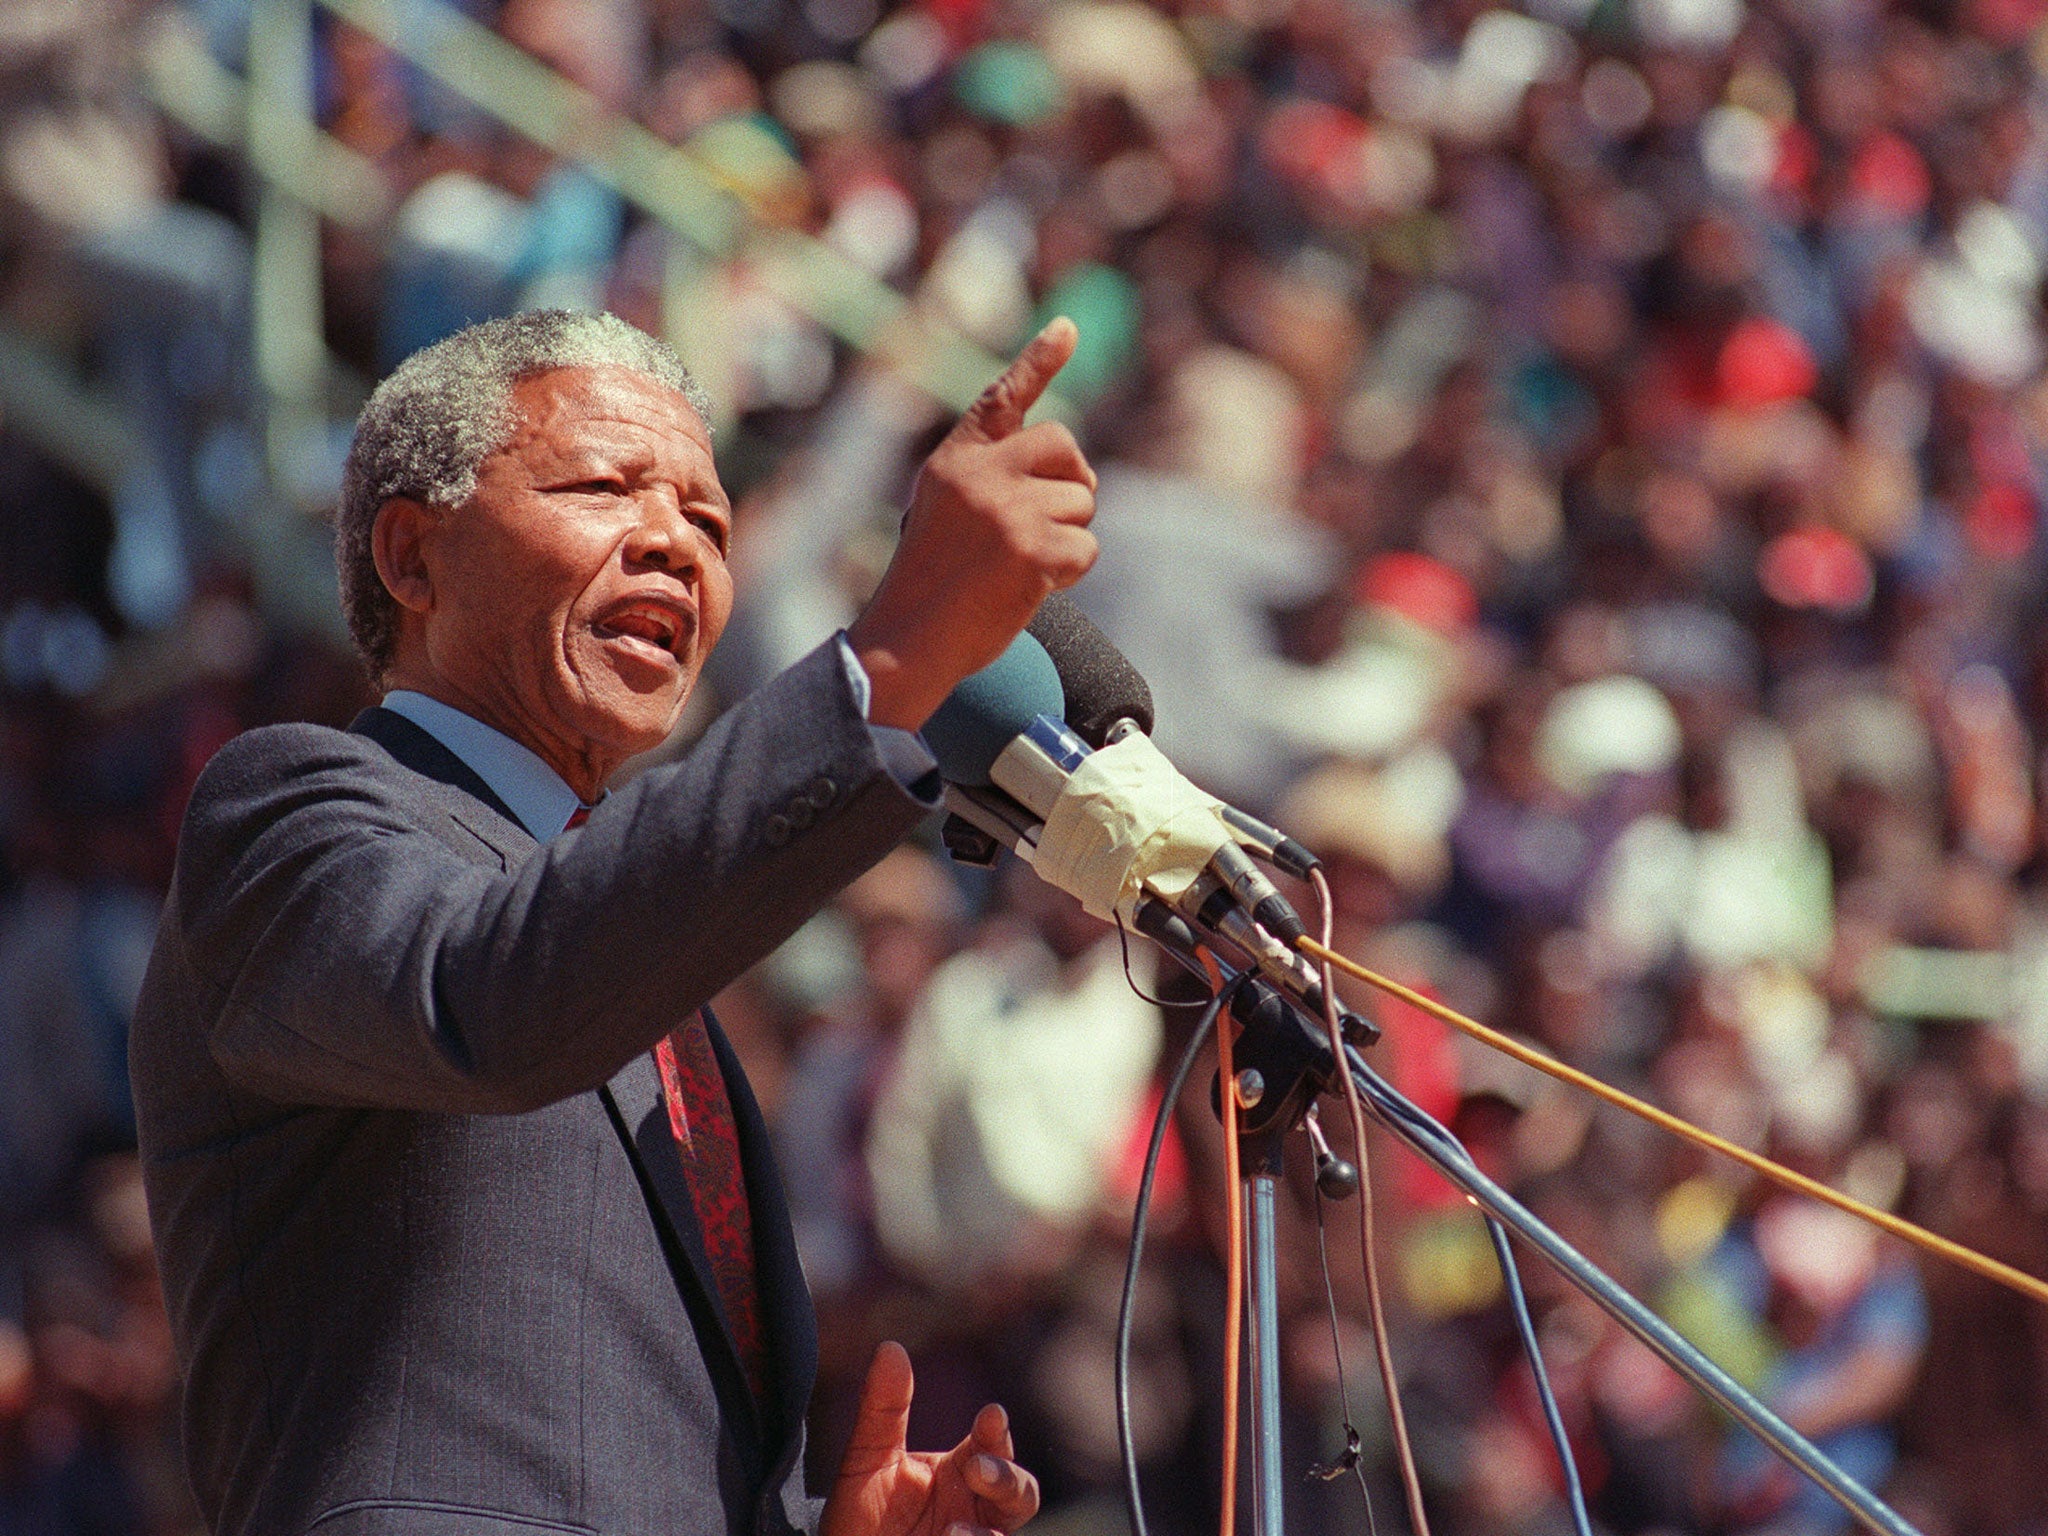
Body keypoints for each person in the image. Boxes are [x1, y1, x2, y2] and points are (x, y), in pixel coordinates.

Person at [127, 307, 1099, 1536]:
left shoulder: (643, 951)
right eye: (603, 487)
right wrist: (890, 660)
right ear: (412, 560)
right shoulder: (289, 815)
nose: (674, 546)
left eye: (708, 520)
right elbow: (486, 1002)